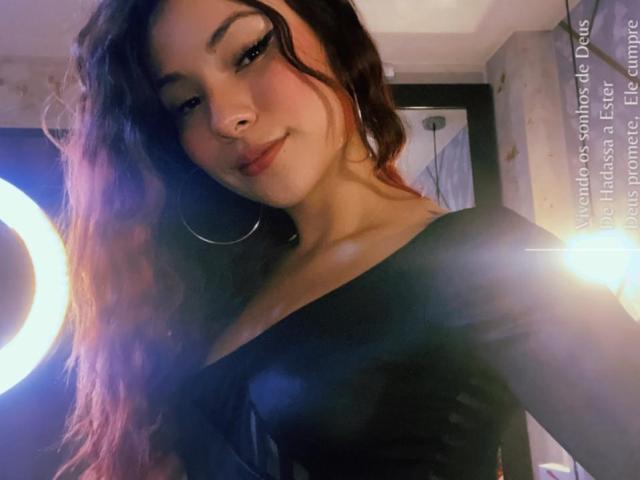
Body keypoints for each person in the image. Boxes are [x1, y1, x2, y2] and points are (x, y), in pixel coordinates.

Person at [46, 0, 640, 479]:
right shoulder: (226, 292)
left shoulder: (482, 257)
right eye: (187, 102)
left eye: (250, 51)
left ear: (332, 34)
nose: (224, 118)